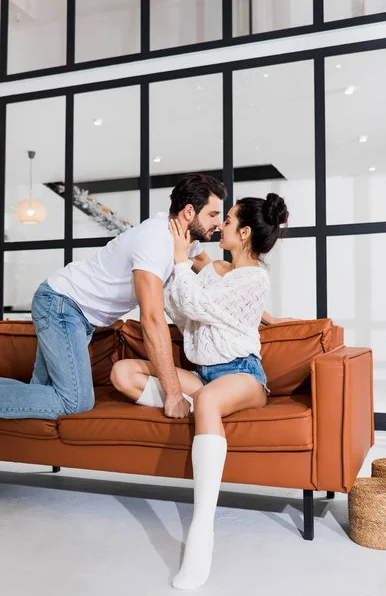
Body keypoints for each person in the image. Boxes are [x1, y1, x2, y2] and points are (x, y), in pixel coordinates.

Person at [110, 193, 289, 590]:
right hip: (204, 374)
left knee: (207, 399)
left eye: (226, 221)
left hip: (242, 375)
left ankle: (201, 534)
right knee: (123, 373)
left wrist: (179, 259)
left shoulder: (255, 278)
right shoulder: (213, 269)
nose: (218, 226)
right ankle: (207, 421)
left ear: (243, 233)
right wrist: (179, 269)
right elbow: (179, 307)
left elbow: (199, 305)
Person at [0, 174, 227, 420]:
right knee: (74, 403)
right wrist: (173, 394)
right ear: (189, 212)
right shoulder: (156, 241)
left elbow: (210, 272)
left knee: (41, 394)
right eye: (213, 215)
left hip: (70, 309)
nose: (219, 224)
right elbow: (151, 319)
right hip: (62, 305)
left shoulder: (183, 239)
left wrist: (256, 305)